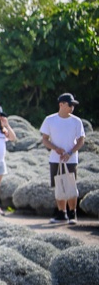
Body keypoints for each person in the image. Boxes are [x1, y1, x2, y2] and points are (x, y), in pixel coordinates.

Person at [41, 93, 86, 225]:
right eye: (70, 104)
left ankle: (72, 213)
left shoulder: (76, 121)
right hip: (55, 159)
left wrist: (70, 152)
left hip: (71, 160)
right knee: (58, 186)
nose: (72, 107)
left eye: (73, 105)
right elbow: (45, 139)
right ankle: (62, 213)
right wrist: (55, 148)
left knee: (70, 186)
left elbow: (81, 140)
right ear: (61, 104)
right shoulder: (50, 120)